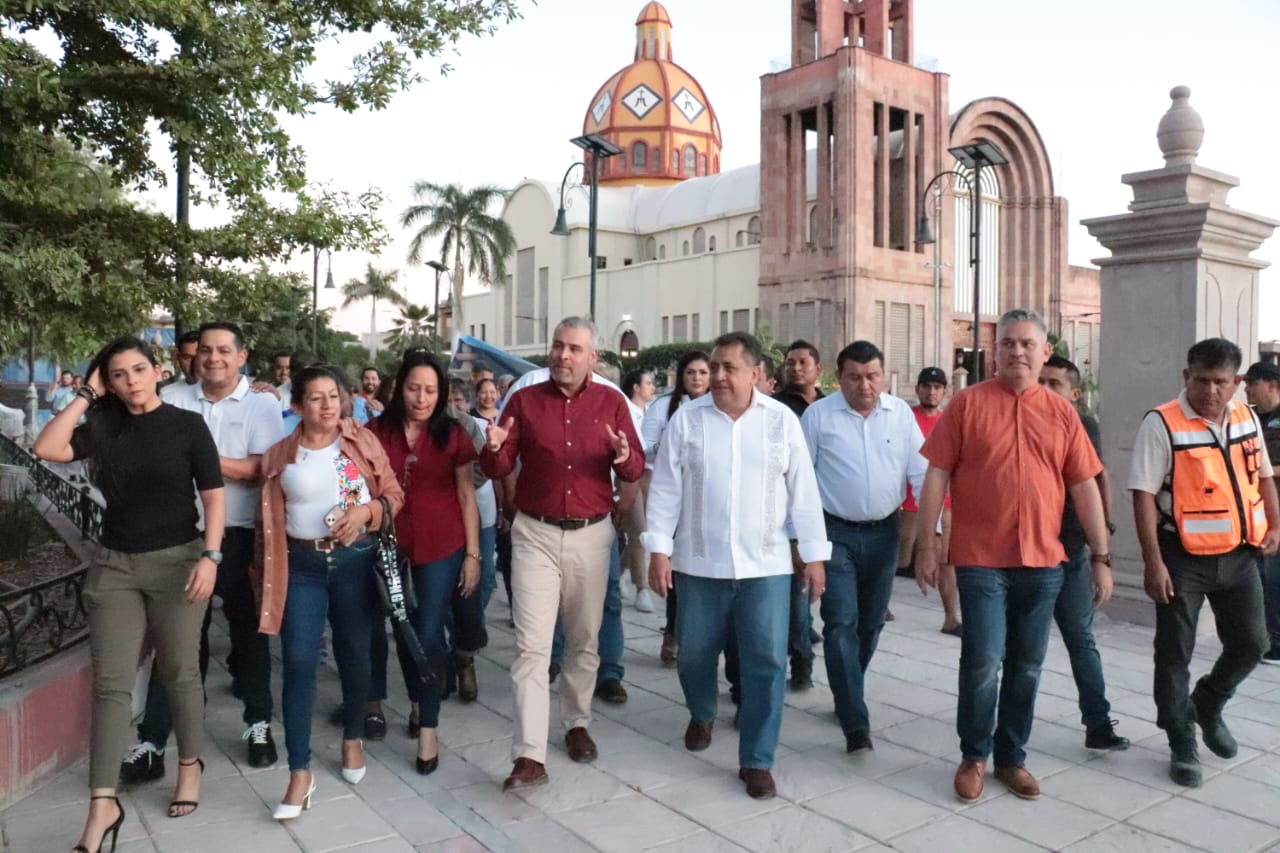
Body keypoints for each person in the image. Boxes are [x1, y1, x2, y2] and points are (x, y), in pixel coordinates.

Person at [34, 336, 225, 851]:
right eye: (118, 374)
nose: (131, 381)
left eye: (139, 369)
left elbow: (213, 497)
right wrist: (86, 395)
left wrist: (211, 557)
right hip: (115, 567)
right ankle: (103, 805)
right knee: (111, 686)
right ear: (109, 382)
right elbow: (46, 449)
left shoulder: (187, 426)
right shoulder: (103, 428)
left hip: (179, 564)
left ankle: (190, 765)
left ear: (158, 371)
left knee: (179, 673)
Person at [915, 308, 1109, 804]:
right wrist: (927, 545)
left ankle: (1011, 758)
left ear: (1045, 352)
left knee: (1027, 665)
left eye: (1027, 344)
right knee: (983, 659)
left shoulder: (1062, 412)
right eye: (1007, 343)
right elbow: (936, 474)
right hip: (980, 558)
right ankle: (973, 755)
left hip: (1043, 562)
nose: (1016, 352)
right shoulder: (967, 404)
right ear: (994, 350)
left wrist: (1102, 556)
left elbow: (1084, 485)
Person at [645, 331, 829, 800]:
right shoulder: (687, 420)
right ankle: (702, 712)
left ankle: (757, 759)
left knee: (767, 659)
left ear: (756, 373)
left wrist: (814, 555)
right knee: (694, 653)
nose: (719, 376)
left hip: (766, 566)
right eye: (715, 367)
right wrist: (659, 550)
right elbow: (665, 488)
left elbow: (804, 491)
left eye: (729, 368)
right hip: (699, 563)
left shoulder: (781, 421)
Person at [479, 317, 643, 792]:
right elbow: (499, 465)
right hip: (535, 534)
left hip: (592, 536)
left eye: (573, 349)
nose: (562, 355)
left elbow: (635, 467)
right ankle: (529, 755)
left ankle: (576, 722)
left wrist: (622, 457)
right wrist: (493, 450)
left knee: (584, 640)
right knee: (531, 646)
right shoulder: (525, 401)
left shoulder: (612, 402)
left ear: (592, 358)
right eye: (557, 346)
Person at [120, 323, 284, 785]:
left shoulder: (261, 404)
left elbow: (261, 468)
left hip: (240, 535)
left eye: (224, 350)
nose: (213, 358)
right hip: (178, 538)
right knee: (175, 640)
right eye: (206, 350)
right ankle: (152, 742)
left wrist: (195, 457)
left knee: (250, 635)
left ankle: (257, 723)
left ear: (241, 356)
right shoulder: (172, 398)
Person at [1129, 338, 1279, 788]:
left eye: (1220, 382)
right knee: (1174, 653)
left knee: (1252, 643)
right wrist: (1153, 563)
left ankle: (1208, 702)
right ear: (1186, 377)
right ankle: (1181, 741)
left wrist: (1275, 524)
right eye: (1202, 380)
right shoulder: (1162, 423)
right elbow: (1142, 496)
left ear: (1237, 382)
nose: (1211, 390)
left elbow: (1264, 477)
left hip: (1239, 554)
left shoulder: (1246, 417)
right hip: (1182, 558)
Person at [257, 364, 404, 819]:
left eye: (333, 396)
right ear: (297, 405)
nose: (327, 405)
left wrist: (365, 513)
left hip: (354, 563)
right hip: (301, 567)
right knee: (298, 662)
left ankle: (352, 737)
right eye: (315, 398)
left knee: (354, 654)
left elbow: (394, 494)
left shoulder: (360, 442)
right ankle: (299, 772)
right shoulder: (281, 454)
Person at [802, 341, 926, 752]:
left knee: (871, 622)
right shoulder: (819, 416)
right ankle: (855, 721)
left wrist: (933, 533)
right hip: (834, 532)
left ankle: (847, 687)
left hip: (885, 532)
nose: (865, 385)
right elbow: (800, 480)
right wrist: (803, 543)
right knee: (841, 621)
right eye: (854, 377)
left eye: (872, 376)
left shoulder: (900, 414)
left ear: (884, 376)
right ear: (838, 378)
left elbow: (921, 474)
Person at [368, 352, 481, 775]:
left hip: (442, 545)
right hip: (390, 546)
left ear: (442, 393)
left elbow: (467, 494)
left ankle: (429, 727)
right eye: (414, 388)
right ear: (400, 388)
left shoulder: (452, 434)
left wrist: (473, 554)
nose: (421, 398)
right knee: (404, 626)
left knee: (429, 631)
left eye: (431, 390)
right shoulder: (375, 432)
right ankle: (418, 700)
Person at [1038, 355, 1129, 751]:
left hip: (1071, 551)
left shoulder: (1082, 425)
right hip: (1026, 554)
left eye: (1054, 383)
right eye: (1041, 381)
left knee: (1080, 639)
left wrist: (1101, 553)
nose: (1045, 389)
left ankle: (1098, 723)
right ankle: (1002, 726)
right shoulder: (1019, 418)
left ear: (1074, 393)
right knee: (1018, 647)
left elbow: (1097, 481)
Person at [641, 350, 711, 664]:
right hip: (674, 500)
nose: (697, 378)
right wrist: (666, 444)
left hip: (706, 500)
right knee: (676, 571)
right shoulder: (665, 407)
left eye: (703, 372)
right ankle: (673, 630)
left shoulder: (718, 407)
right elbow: (644, 448)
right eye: (691, 372)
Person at [771, 340, 827, 687]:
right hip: (791, 511)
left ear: (818, 369)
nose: (795, 368)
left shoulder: (830, 407)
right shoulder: (777, 408)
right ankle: (801, 657)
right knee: (798, 592)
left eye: (803, 362)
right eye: (790, 362)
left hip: (829, 510)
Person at [897, 367, 961, 635]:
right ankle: (878, 603)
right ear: (918, 389)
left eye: (937, 387)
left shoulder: (950, 422)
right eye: (927, 386)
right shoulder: (905, 419)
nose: (931, 392)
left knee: (947, 559)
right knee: (899, 557)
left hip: (945, 503)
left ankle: (951, 617)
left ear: (945, 391)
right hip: (910, 504)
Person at [1244, 360, 1280, 664]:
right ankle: (1260, 637)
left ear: (1271, 384)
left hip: (1277, 512)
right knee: (1256, 578)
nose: (1247, 390)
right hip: (1254, 512)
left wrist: (1263, 471)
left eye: (1252, 384)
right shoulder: (1249, 418)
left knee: (1273, 579)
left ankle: (1276, 643)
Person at [621, 369, 657, 613]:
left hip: (652, 476)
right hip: (631, 477)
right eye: (648, 383)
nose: (652, 388)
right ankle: (642, 588)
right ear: (636, 387)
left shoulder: (651, 413)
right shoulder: (626, 410)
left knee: (642, 532)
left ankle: (620, 571)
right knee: (639, 530)